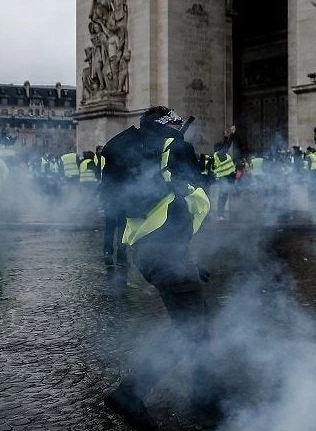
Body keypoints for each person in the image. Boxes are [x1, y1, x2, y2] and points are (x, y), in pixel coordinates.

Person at [104, 106, 218, 429]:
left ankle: (206, 395)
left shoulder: (135, 148)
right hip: (166, 253)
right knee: (192, 328)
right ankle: (130, 392)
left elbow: (161, 214)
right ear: (170, 126)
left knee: (200, 321)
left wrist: (189, 264)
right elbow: (191, 196)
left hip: (153, 250)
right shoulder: (174, 149)